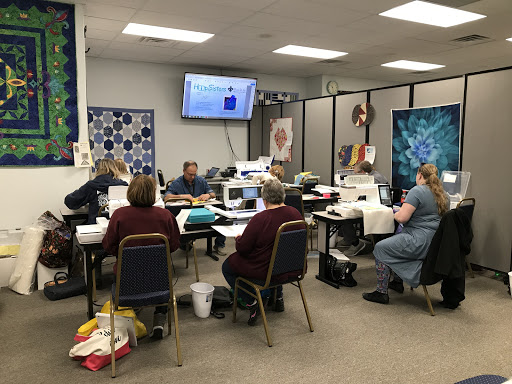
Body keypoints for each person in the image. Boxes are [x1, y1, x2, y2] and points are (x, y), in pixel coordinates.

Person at [102, 174, 181, 339]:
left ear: (130, 192)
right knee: (163, 273)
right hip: (159, 283)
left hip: (126, 282)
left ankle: (131, 314)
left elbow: (109, 246)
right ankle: (159, 320)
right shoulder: (165, 216)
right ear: (153, 193)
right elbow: (173, 246)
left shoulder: (119, 215)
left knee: (122, 277)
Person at [222, 178, 305, 326]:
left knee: (228, 266)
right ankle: (278, 298)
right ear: (283, 195)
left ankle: (251, 301)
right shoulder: (296, 214)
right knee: (278, 255)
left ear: (264, 199)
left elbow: (243, 249)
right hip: (293, 269)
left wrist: (239, 239)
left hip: (267, 273)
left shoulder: (260, 218)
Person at [362, 163, 449, 304]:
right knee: (396, 242)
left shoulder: (417, 191)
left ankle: (381, 292)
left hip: (417, 241)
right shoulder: (444, 195)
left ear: (419, 175)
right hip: (435, 243)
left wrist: (395, 213)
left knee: (381, 247)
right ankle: (397, 282)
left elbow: (402, 218)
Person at [164, 160, 226, 255]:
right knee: (185, 245)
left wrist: (208, 195)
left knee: (223, 212)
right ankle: (186, 241)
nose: (192, 177)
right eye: (190, 174)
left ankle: (219, 245)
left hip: (201, 210)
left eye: (194, 174)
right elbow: (166, 197)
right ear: (184, 171)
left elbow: (213, 194)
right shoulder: (177, 182)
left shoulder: (201, 180)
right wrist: (182, 196)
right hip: (185, 211)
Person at [339, 161, 389, 256]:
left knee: (346, 215)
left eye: (356, 173)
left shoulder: (373, 179)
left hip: (375, 207)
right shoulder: (375, 175)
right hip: (375, 205)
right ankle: (349, 239)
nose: (355, 175)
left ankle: (354, 242)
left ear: (362, 172)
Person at [64, 158, 128, 224]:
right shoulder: (124, 185)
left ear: (98, 170)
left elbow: (71, 201)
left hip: (97, 224)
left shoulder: (91, 185)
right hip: (119, 225)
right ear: (115, 169)